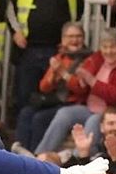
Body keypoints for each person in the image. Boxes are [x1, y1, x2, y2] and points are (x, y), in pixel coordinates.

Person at [33, 28, 116, 154]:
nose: (108, 51)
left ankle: (77, 159)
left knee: (94, 121)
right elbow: (80, 87)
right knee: (64, 113)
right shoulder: (97, 59)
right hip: (88, 107)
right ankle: (40, 155)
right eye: (105, 47)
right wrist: (74, 78)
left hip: (110, 111)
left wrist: (92, 81)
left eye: (113, 47)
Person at [7, 0, 81, 114]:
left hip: (60, 51)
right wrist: (16, 32)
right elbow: (10, 6)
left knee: (53, 97)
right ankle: (22, 138)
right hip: (29, 49)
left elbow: (82, 11)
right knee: (25, 96)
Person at [12, 22, 90, 153]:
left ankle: (35, 158)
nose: (74, 40)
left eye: (78, 36)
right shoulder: (60, 57)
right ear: (63, 40)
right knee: (26, 112)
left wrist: (64, 74)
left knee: (40, 119)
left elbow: (82, 90)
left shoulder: (89, 59)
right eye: (70, 36)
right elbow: (44, 88)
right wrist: (53, 75)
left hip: (74, 103)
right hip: (55, 101)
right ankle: (18, 155)